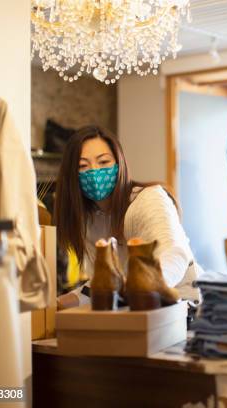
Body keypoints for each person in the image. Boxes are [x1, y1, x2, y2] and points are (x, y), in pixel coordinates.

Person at [54, 125, 200, 308]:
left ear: (119, 163)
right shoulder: (88, 221)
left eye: (103, 162)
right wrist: (55, 305)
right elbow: (102, 286)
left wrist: (144, 289)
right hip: (135, 313)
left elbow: (174, 254)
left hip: (184, 310)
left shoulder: (148, 199)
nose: (94, 172)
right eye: (83, 166)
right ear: (71, 176)